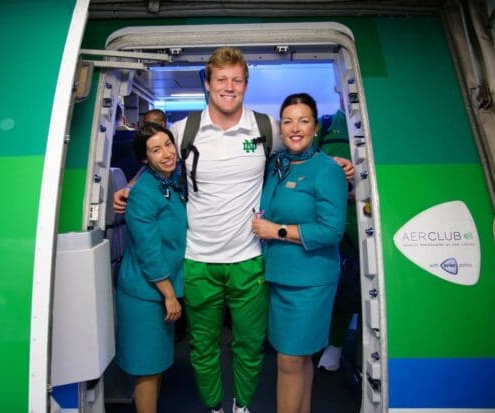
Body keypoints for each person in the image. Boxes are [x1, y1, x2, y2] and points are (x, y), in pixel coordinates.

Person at [113, 47, 355, 413]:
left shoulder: (265, 128)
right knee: (203, 347)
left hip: (250, 259)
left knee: (250, 345)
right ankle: (214, 407)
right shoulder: (183, 131)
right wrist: (131, 185)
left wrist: (337, 163)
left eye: (237, 80)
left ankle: (242, 406)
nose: (229, 87)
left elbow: (297, 147)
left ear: (245, 84)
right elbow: (157, 162)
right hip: (198, 260)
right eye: (221, 80)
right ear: (208, 84)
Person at [251, 93, 348, 413]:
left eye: (303, 121)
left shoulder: (327, 170)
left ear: (316, 127)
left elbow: (332, 230)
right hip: (279, 277)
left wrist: (276, 230)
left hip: (310, 281)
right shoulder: (279, 163)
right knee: (299, 357)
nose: (295, 128)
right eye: (288, 121)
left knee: (289, 359)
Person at [115, 122, 186, 413]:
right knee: (147, 369)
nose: (167, 153)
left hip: (159, 290)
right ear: (145, 159)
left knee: (155, 365)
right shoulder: (144, 193)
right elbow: (149, 252)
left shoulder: (171, 180)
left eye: (168, 144)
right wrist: (169, 293)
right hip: (145, 293)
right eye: (156, 150)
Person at [316, 92, 361, 373]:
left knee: (357, 289)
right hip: (329, 221)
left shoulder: (378, 124)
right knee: (334, 288)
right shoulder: (326, 124)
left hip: (363, 222)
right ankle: (331, 345)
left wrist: (360, 191)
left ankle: (351, 349)